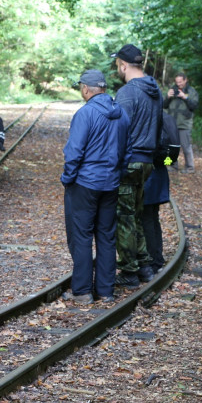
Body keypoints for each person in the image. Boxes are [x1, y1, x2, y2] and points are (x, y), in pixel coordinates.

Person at [61, 70, 130, 305]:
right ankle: (105, 291)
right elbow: (126, 153)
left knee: (81, 236)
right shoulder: (122, 114)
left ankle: (82, 292)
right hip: (110, 184)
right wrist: (116, 175)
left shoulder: (85, 114)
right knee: (106, 236)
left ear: (86, 89)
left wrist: (68, 178)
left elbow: (74, 152)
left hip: (85, 184)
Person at [111, 44, 163, 289]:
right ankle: (144, 265)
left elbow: (117, 131)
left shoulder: (126, 93)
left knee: (124, 217)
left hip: (129, 162)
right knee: (137, 214)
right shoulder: (156, 90)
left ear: (123, 65)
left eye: (117, 65)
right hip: (147, 163)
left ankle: (129, 271)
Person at [143, 111, 179, 273]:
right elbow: (173, 156)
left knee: (146, 219)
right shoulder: (166, 117)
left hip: (147, 173)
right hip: (159, 172)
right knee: (152, 217)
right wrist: (164, 163)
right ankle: (156, 258)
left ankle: (152, 261)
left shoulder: (148, 115)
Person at [164, 73, 198, 174]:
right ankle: (170, 165)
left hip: (184, 124)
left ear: (185, 80)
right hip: (172, 124)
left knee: (186, 146)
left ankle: (190, 167)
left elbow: (194, 106)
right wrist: (167, 96)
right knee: (170, 147)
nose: (178, 84)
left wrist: (185, 97)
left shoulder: (191, 92)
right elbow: (164, 105)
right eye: (177, 82)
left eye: (180, 82)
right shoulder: (172, 90)